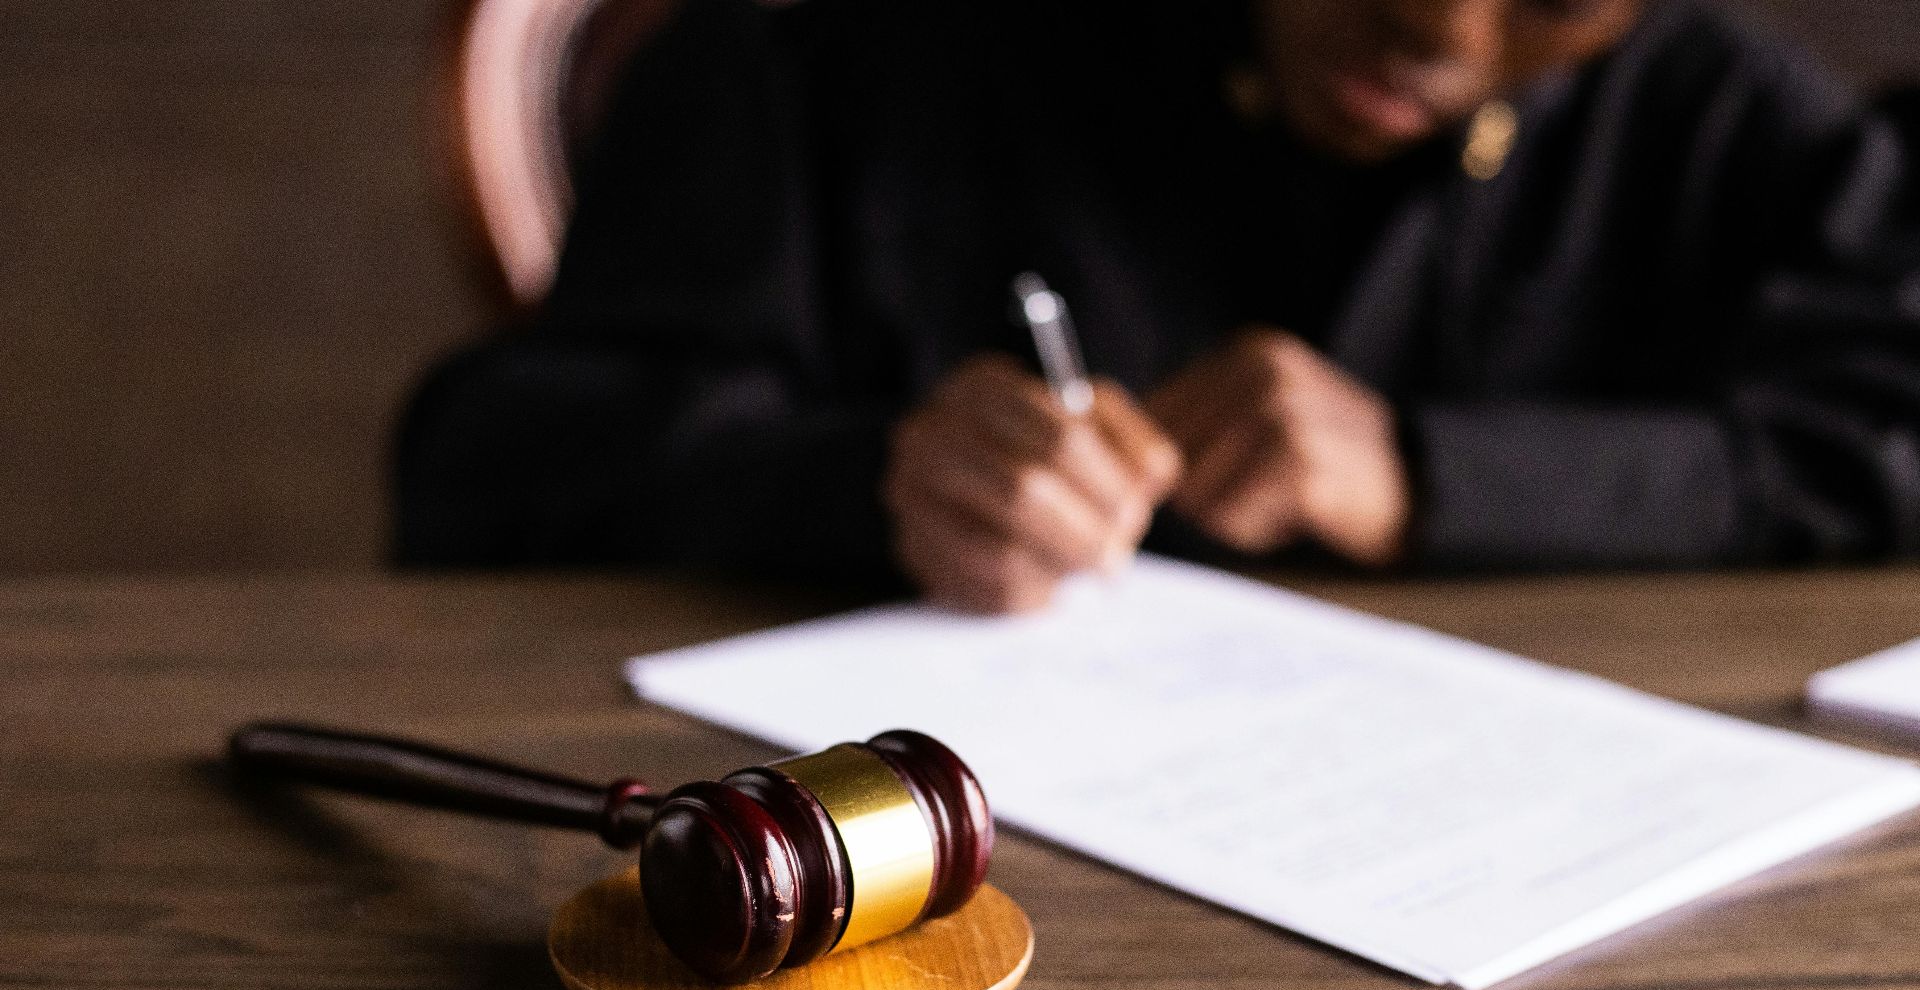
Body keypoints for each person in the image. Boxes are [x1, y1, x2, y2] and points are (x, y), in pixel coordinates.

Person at [397, 0, 1920, 612]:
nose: (1443, 26)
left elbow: (1885, 440)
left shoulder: (1709, 117)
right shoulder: (848, 49)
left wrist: (1435, 474)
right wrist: (866, 480)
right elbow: (485, 467)